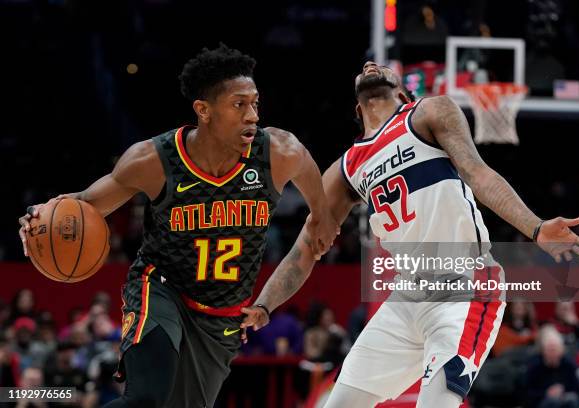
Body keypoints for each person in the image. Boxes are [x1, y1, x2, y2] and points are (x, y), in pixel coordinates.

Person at [241, 61, 579, 407]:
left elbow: (479, 174)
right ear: (357, 107)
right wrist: (264, 303)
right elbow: (306, 247)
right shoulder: (347, 167)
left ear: (403, 92)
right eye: (365, 66)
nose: (369, 65)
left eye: (380, 67)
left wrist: (535, 226)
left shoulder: (427, 114)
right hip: (407, 297)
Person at [18, 44, 339, 407]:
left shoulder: (279, 153)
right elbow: (86, 205)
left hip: (221, 315)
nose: (252, 115)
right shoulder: (153, 160)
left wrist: (322, 217)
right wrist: (37, 217)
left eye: (255, 103)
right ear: (203, 110)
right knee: (147, 399)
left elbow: (314, 193)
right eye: (239, 104)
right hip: (162, 289)